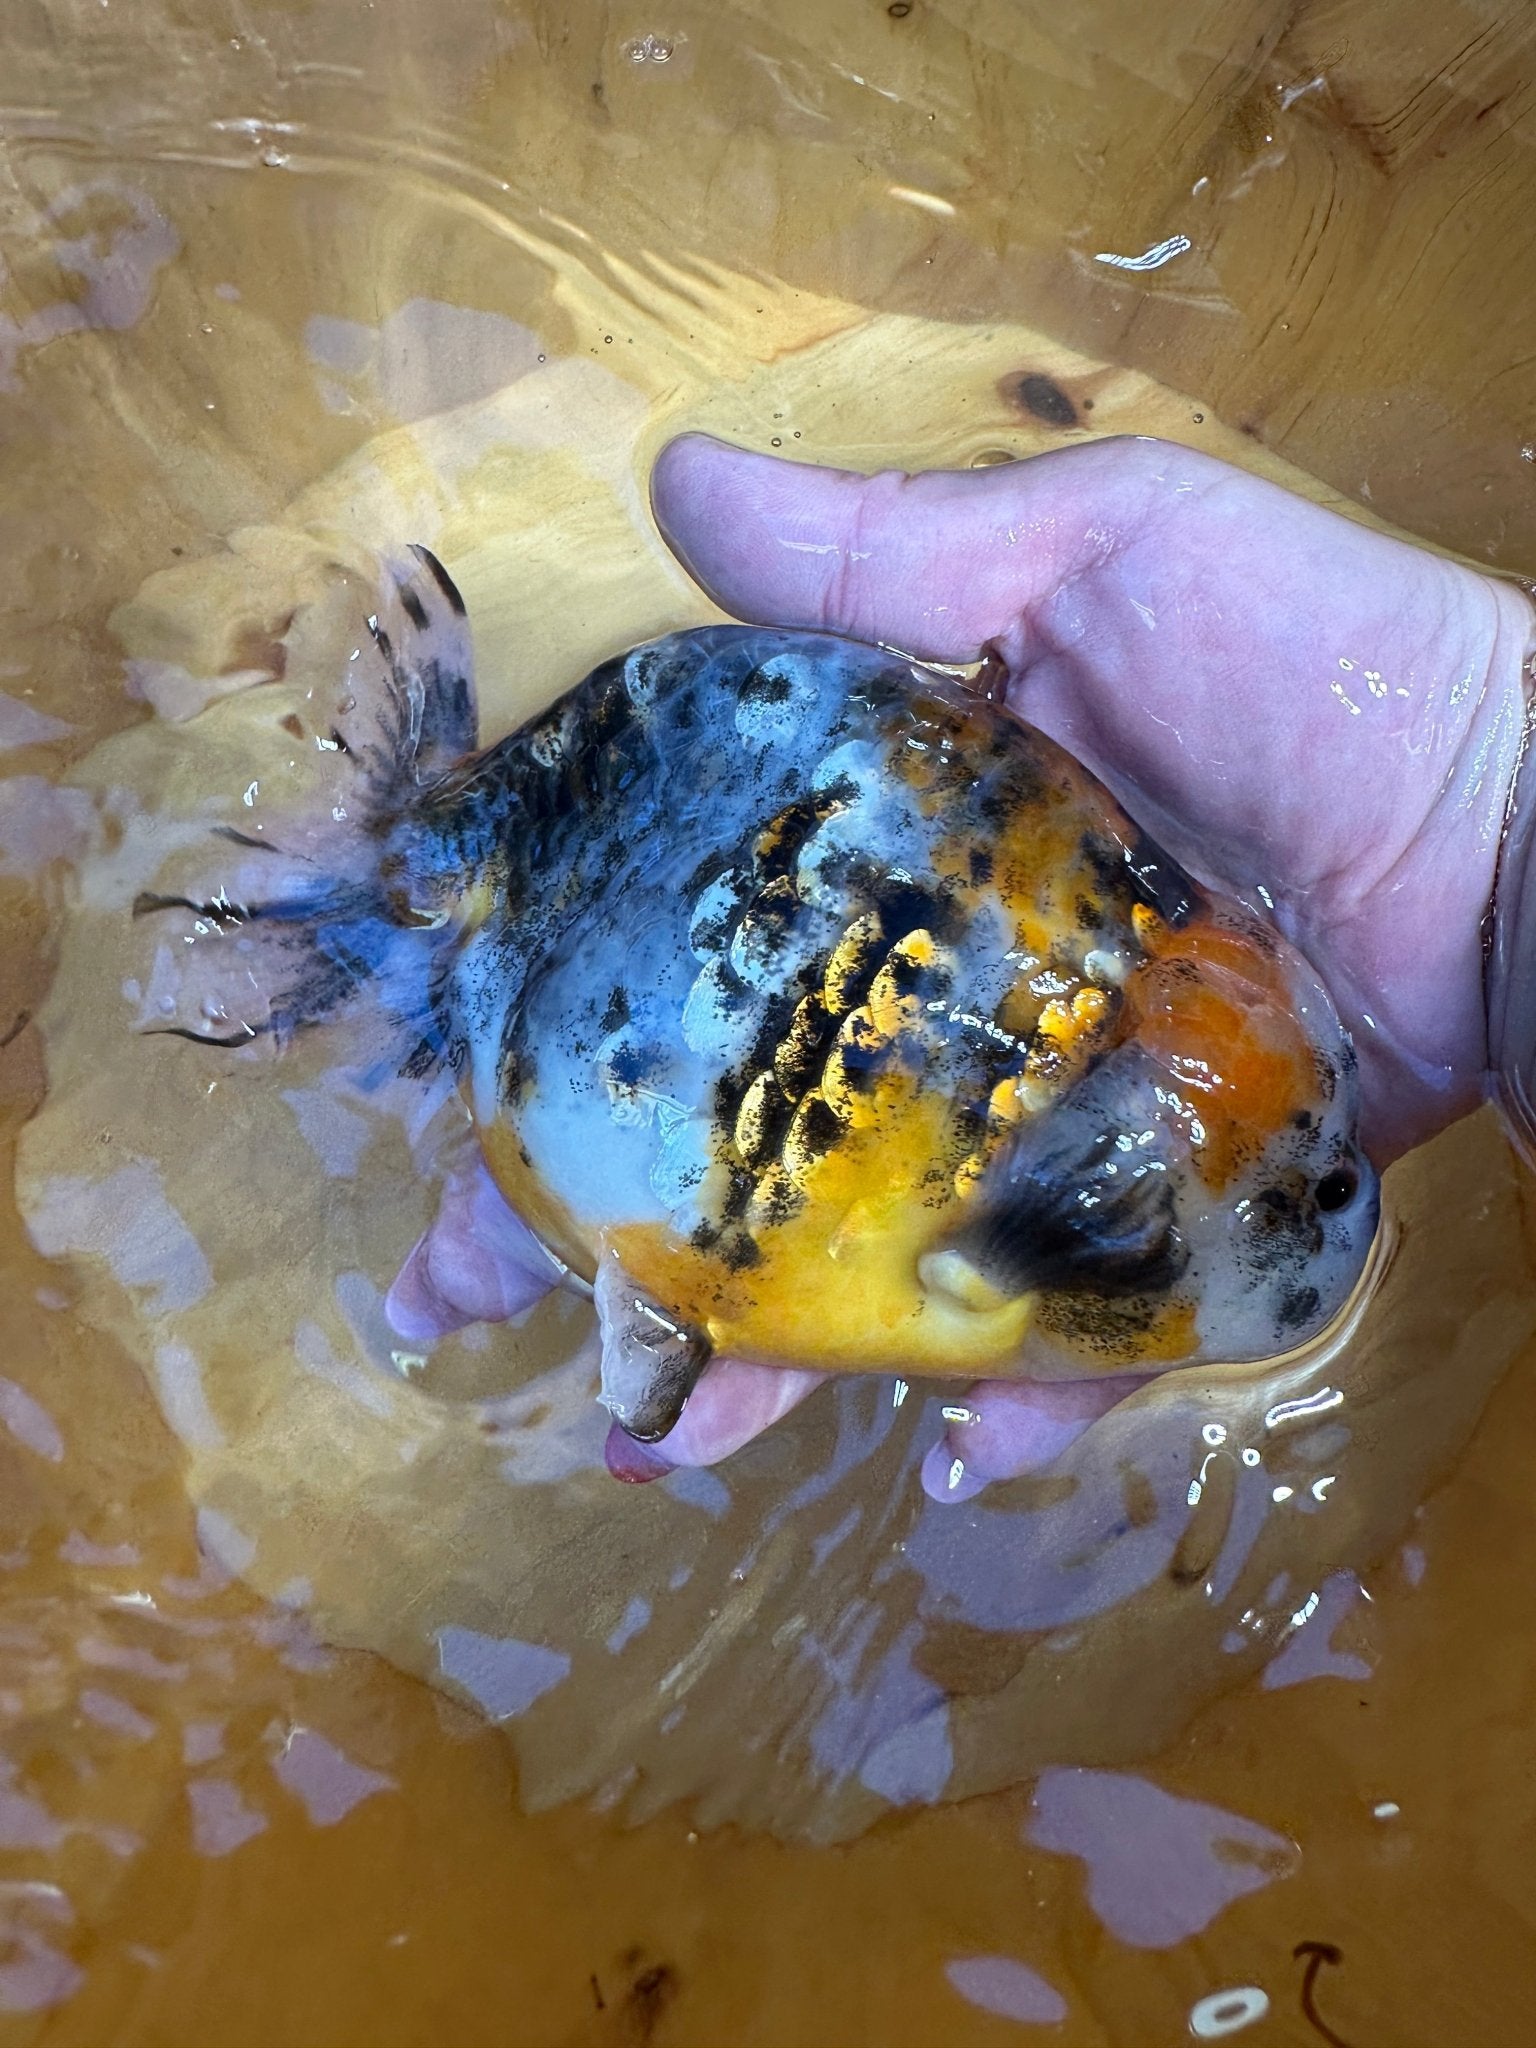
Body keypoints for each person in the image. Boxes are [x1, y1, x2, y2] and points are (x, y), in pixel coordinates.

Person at [386, 431, 1536, 1501]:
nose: (1339, 1178)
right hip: (621, 1000)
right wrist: (1498, 814)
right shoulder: (1016, 1229)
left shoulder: (1150, 1026)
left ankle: (404, 855)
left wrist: (1503, 795)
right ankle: (406, 846)